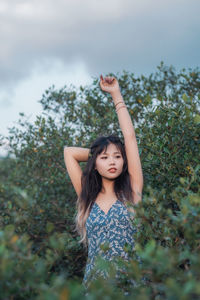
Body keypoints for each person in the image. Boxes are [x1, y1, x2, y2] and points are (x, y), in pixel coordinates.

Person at [64, 75, 143, 293]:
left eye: (117, 157)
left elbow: (130, 139)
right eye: (105, 158)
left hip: (132, 288)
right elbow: (69, 153)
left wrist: (116, 94)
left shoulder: (132, 192)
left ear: (124, 161)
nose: (112, 162)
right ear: (95, 163)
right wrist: (99, 152)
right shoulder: (87, 196)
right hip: (95, 288)